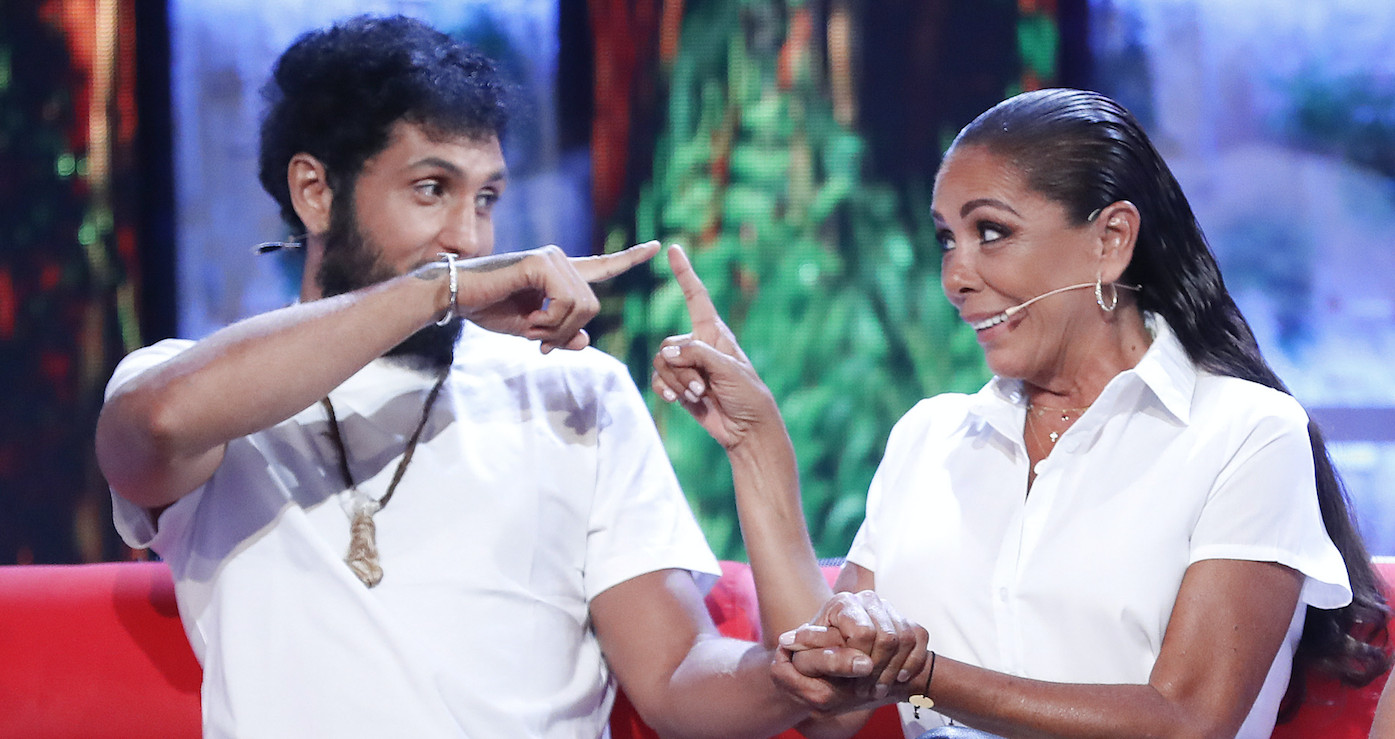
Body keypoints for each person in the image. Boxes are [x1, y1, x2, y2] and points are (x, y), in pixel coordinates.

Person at [95, 15, 863, 738]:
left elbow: (671, 674)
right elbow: (153, 427)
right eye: (431, 188)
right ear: (315, 191)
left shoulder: (573, 387)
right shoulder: (194, 386)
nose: (468, 236)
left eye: (487, 197)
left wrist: (786, 677)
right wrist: (443, 289)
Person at [652, 88, 1390, 738]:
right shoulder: (931, 435)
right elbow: (830, 711)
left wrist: (923, 674)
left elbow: (1187, 721)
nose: (955, 276)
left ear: (1110, 241)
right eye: (945, 238)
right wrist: (755, 445)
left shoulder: (1244, 432)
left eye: (989, 232)